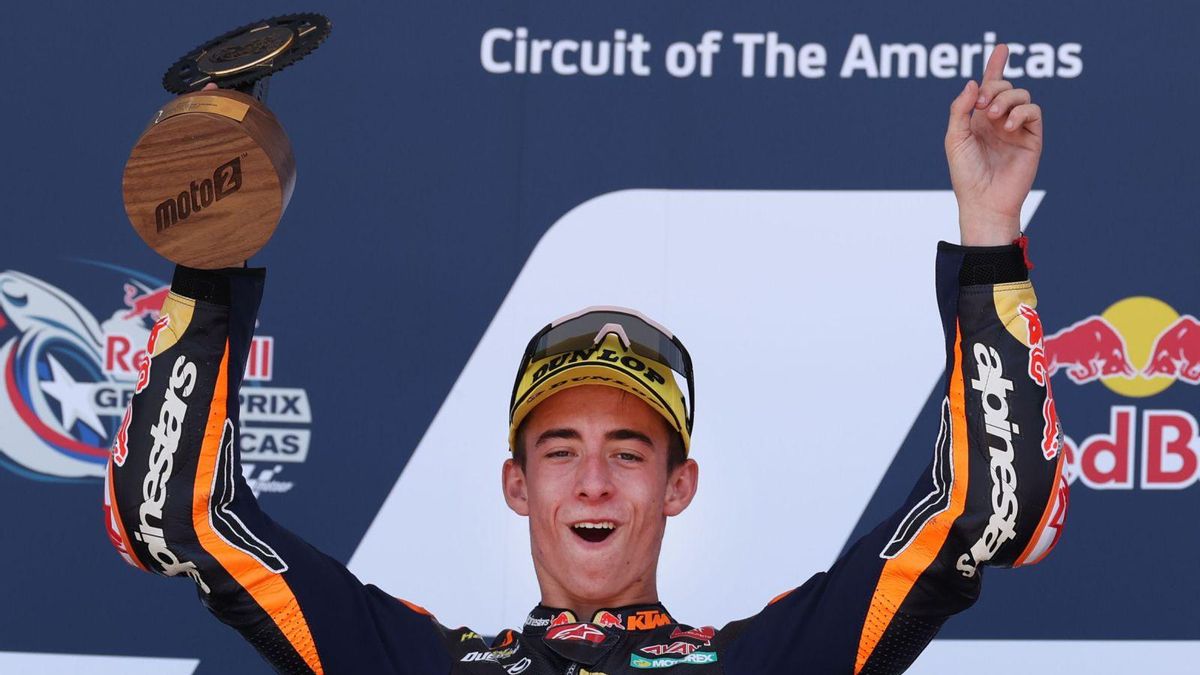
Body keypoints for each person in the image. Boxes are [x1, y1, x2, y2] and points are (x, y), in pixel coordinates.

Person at [104, 44, 1068, 674]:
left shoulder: (762, 663)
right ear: (517, 484)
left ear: (679, 484)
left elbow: (987, 509)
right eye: (560, 449)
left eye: (631, 450)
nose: (595, 481)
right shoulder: (419, 665)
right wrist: (208, 256)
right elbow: (181, 521)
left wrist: (989, 229)